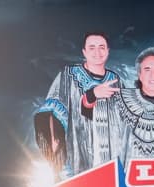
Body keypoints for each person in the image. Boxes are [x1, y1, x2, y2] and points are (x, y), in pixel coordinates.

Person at [81, 47, 154, 167]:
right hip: (126, 178)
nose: (153, 75)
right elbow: (88, 120)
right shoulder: (119, 100)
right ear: (140, 75)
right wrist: (92, 95)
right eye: (147, 69)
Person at [35, 32, 122, 178]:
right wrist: (53, 138)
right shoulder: (69, 75)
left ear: (108, 51)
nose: (97, 52)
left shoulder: (115, 79)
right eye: (92, 47)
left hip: (109, 153)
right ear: (84, 52)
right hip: (75, 150)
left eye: (102, 47)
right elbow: (52, 107)